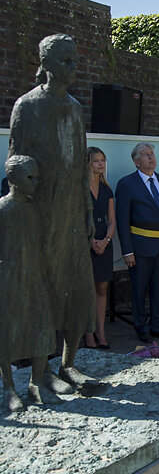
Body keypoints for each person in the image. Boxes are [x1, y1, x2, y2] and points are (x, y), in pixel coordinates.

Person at [8, 33, 95, 391]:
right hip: (42, 213)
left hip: (72, 213)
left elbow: (81, 166)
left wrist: (87, 209)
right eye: (65, 61)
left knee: (78, 290)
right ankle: (40, 371)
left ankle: (68, 364)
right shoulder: (27, 106)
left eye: (75, 61)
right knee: (42, 294)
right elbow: (15, 162)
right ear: (46, 64)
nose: (73, 67)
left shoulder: (74, 108)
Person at [0, 156, 56, 411]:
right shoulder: (3, 210)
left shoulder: (35, 209)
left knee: (42, 328)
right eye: (30, 177)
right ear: (13, 179)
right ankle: (9, 388)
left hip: (36, 277)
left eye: (36, 177)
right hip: (9, 279)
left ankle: (37, 382)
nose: (36, 182)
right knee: (7, 332)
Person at [115, 143, 159, 344]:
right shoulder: (127, 183)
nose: (151, 157)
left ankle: (158, 326)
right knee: (139, 289)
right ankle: (141, 328)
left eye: (152, 154)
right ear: (136, 161)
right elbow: (122, 219)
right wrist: (127, 250)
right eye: (146, 155)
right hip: (139, 246)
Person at [83, 147, 115, 350]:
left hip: (104, 243)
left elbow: (112, 220)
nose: (101, 164)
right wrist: (90, 240)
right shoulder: (78, 189)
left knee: (102, 288)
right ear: (88, 163)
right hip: (84, 244)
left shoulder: (106, 189)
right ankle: (88, 333)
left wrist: (105, 240)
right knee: (87, 289)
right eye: (96, 160)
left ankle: (100, 331)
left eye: (103, 160)